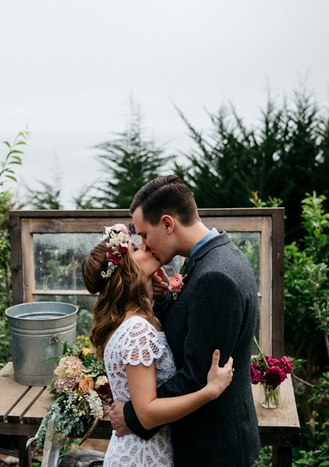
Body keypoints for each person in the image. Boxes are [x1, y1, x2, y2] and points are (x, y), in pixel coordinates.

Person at [110, 175, 261, 467]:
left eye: (143, 234)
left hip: (212, 449)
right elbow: (194, 331)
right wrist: (166, 300)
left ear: (168, 224)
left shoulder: (214, 277)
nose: (143, 244)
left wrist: (133, 414)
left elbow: (196, 376)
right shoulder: (216, 256)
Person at [81, 224, 234, 467]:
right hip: (142, 457)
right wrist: (209, 392)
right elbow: (147, 414)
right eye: (136, 248)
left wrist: (161, 298)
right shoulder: (136, 330)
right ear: (124, 270)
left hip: (148, 450)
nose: (146, 246)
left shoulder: (140, 317)